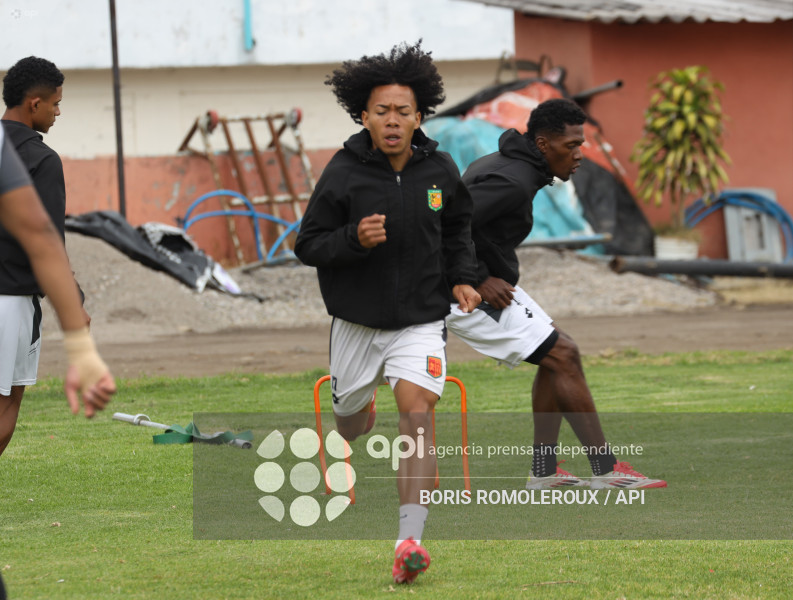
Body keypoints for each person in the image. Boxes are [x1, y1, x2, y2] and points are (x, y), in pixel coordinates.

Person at [294, 41, 480, 584]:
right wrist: (353, 237)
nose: (393, 120)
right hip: (355, 323)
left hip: (421, 319)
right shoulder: (344, 171)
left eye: (403, 111)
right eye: (382, 111)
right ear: (364, 116)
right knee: (349, 424)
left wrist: (464, 277)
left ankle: (409, 541)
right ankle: (359, 411)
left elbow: (458, 230)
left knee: (417, 415)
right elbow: (309, 244)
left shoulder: (440, 169)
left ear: (420, 116)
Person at [446, 98, 666, 490]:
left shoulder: (509, 165)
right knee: (563, 353)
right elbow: (443, 226)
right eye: (571, 146)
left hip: (486, 281)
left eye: (581, 144)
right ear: (544, 144)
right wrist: (476, 279)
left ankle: (545, 473)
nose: (579, 155)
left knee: (556, 354)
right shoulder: (511, 181)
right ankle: (607, 470)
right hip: (462, 290)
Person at [0, 56, 90, 456]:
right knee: (5, 409)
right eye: (55, 103)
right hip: (11, 302)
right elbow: (48, 241)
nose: (58, 111)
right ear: (34, 103)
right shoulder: (41, 159)